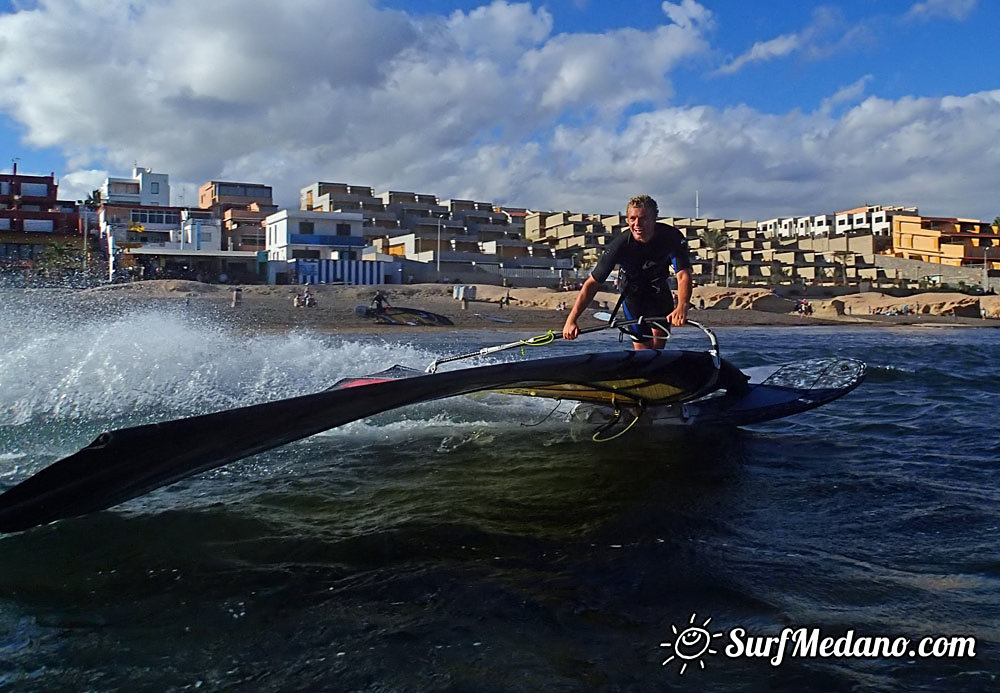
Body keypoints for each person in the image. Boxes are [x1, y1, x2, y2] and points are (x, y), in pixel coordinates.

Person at [562, 194, 692, 350]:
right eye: (632, 219)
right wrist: (571, 320)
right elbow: (592, 283)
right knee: (643, 351)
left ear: (654, 218)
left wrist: (682, 306)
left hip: (659, 292)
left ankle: (656, 370)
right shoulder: (620, 245)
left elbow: (683, 275)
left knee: (658, 348)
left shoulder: (671, 237)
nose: (637, 224)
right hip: (632, 294)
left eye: (643, 218)